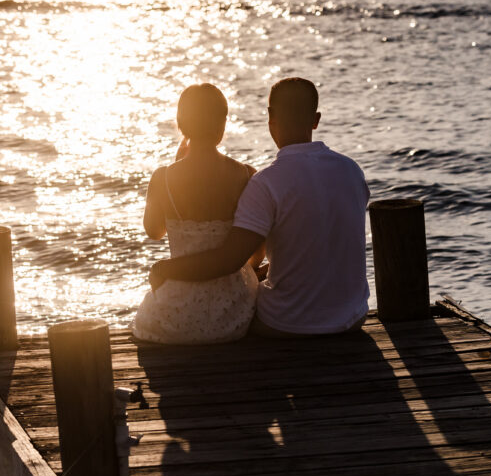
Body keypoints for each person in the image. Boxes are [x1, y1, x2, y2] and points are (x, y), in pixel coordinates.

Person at [149, 78, 370, 337]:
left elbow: (229, 261)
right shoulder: (351, 171)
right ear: (316, 119)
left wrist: (164, 269)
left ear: (270, 117)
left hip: (288, 323)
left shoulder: (267, 182)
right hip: (352, 318)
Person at [132, 84, 263, 344]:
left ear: (181, 125)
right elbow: (256, 253)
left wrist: (173, 172)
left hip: (176, 315)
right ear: (222, 124)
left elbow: (154, 231)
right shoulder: (246, 176)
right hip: (233, 314)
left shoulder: (163, 178)